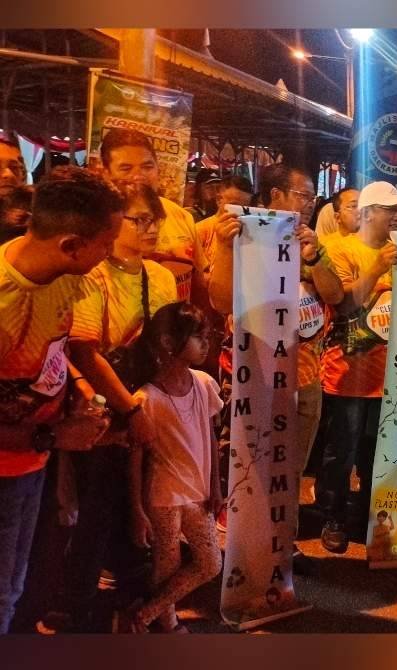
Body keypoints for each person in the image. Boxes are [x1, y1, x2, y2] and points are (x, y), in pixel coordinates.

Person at [41, 182, 180, 633]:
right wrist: (128, 409)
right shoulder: (90, 275)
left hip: (150, 404)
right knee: (97, 507)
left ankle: (139, 597)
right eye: (139, 219)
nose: (150, 227)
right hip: (107, 408)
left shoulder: (160, 276)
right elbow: (85, 352)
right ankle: (76, 602)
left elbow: (171, 344)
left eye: (154, 218)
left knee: (148, 502)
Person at [0, 167, 119, 634]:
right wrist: (55, 434)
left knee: (18, 586)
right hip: (9, 468)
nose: (109, 254)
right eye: (105, 243)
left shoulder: (64, 274)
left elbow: (56, 349)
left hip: (33, 461)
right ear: (71, 244)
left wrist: (76, 386)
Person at [207, 164, 342, 570]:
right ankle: (247, 549)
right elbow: (220, 301)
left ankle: (282, 543)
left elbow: (335, 293)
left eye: (311, 197)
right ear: (275, 196)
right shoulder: (242, 235)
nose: (310, 202)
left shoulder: (310, 241)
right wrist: (224, 249)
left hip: (305, 377)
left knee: (291, 468)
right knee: (252, 465)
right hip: (256, 377)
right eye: (303, 195)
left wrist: (314, 255)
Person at [316, 181, 397, 554]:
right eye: (390, 209)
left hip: (390, 374)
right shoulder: (338, 249)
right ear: (369, 213)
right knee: (342, 450)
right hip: (347, 373)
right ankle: (333, 515)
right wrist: (377, 266)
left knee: (378, 450)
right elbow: (345, 305)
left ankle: (374, 514)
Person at [125, 302, 223, 633]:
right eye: (197, 336)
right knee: (167, 564)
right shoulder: (146, 398)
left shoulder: (204, 384)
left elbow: (210, 436)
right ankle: (166, 623)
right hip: (163, 495)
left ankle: (143, 614)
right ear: (168, 342)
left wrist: (217, 485)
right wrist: (137, 508)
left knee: (210, 563)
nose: (205, 343)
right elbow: (135, 456)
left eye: (206, 336)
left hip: (198, 493)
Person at [99, 129, 208, 307]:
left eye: (147, 167)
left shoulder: (181, 217)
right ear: (106, 173)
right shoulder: (96, 221)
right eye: (126, 168)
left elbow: (198, 284)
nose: (138, 176)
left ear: (158, 168)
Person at [194, 175, 253, 274]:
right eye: (235, 205)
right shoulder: (200, 230)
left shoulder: (250, 229)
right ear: (219, 200)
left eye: (245, 207)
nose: (241, 211)